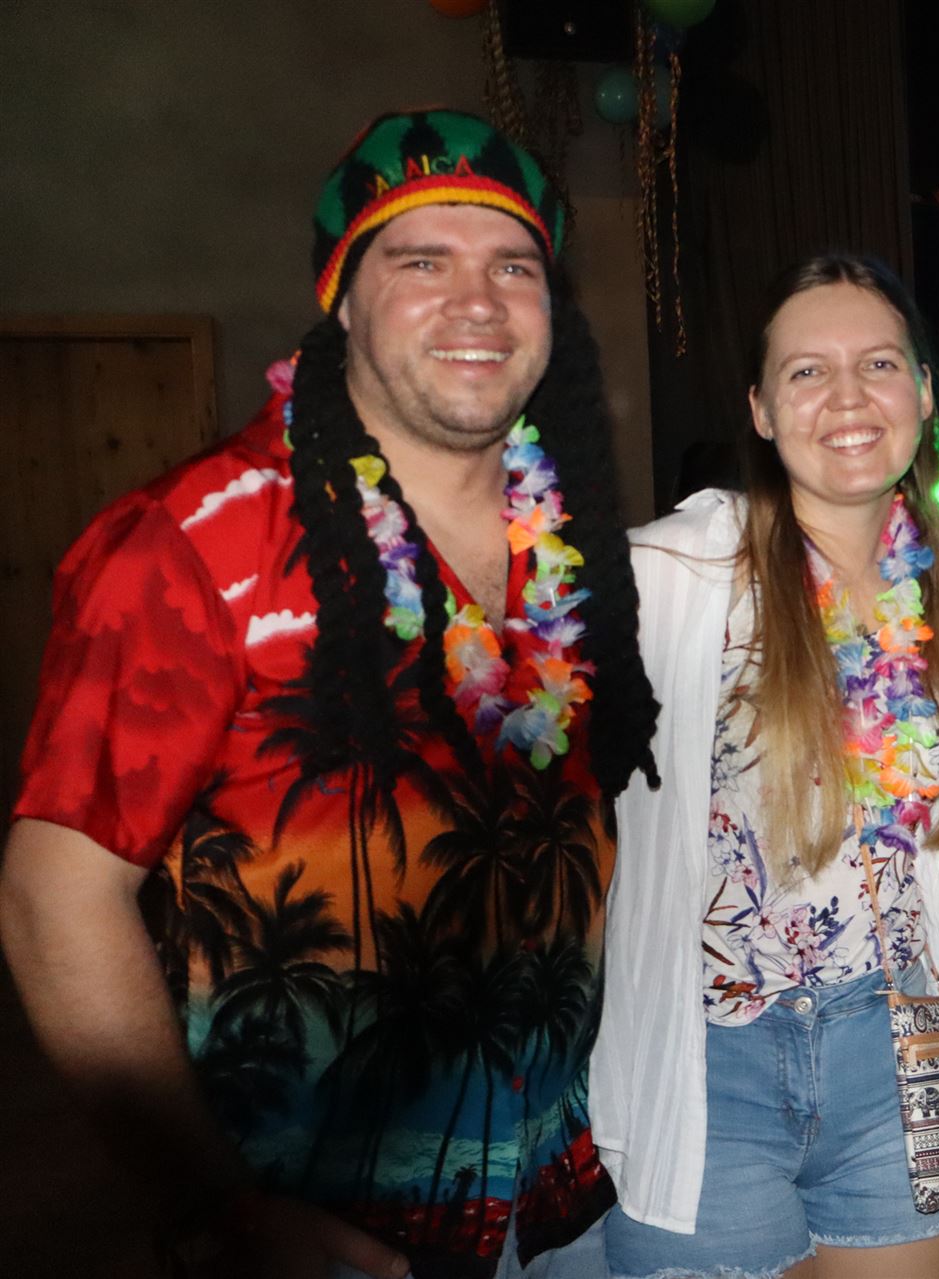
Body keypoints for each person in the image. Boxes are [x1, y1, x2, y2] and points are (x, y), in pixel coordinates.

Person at [0, 109, 658, 1278]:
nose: (478, 302)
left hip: (564, 1197)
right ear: (343, 301)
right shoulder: (195, 543)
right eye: (422, 262)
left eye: (514, 267)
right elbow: (55, 899)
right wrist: (219, 1209)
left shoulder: (577, 548)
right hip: (322, 1232)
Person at [590, 254, 939, 1279]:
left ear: (922, 392)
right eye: (807, 372)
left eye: (878, 364)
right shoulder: (674, 571)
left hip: (903, 1050)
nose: (848, 397)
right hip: (708, 1061)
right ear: (762, 411)